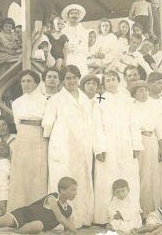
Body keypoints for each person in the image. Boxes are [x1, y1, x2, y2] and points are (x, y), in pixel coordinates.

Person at [42, 65, 105, 228]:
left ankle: (81, 218)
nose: (71, 81)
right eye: (68, 78)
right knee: (62, 179)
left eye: (74, 78)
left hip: (83, 146)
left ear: (78, 79)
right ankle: (61, 220)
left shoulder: (87, 100)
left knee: (82, 179)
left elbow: (94, 125)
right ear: (63, 80)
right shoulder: (56, 99)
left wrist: (97, 147)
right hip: (62, 146)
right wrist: (50, 145)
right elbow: (47, 125)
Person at [94, 70, 142, 225]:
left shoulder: (128, 98)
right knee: (107, 177)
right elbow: (97, 125)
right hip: (108, 141)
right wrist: (99, 148)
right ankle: (105, 217)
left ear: (118, 80)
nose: (111, 82)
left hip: (126, 141)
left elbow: (134, 123)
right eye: (107, 80)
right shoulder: (99, 99)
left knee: (129, 175)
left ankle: (132, 216)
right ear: (104, 83)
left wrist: (136, 144)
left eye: (113, 79)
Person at [0, 177, 77, 234]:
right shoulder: (53, 197)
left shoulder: (69, 210)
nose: (75, 193)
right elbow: (60, 219)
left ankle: (15, 231)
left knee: (38, 225)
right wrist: (77, 232)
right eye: (72, 190)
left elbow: (67, 228)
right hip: (24, 215)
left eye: (75, 190)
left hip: (35, 224)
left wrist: (68, 232)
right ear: (62, 190)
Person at [8, 70, 48, 211]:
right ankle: (20, 208)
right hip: (23, 136)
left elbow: (46, 121)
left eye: (29, 81)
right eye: (23, 81)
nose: (26, 84)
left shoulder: (45, 101)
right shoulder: (17, 102)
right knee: (22, 171)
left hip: (39, 135)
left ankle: (37, 209)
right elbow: (17, 123)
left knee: (37, 172)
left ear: (37, 83)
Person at [128, 80, 162, 218]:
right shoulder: (132, 107)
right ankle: (142, 210)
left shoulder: (154, 106)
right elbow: (132, 127)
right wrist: (135, 145)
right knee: (142, 174)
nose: (143, 93)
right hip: (139, 141)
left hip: (153, 141)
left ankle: (154, 210)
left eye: (145, 90)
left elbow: (159, 127)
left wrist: (161, 146)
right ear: (134, 94)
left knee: (154, 174)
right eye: (140, 91)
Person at [61, 4, 89, 76]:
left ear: (78, 16)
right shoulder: (64, 30)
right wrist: (68, 48)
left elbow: (85, 44)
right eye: (72, 13)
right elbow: (61, 43)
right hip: (67, 56)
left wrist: (78, 49)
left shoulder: (83, 30)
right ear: (68, 16)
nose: (74, 15)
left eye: (76, 13)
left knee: (81, 73)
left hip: (80, 56)